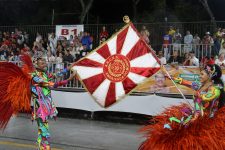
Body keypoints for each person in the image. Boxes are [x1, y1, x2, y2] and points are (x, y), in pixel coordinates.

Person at [139, 64, 225, 150]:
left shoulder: (215, 89)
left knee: (182, 129)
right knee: (172, 122)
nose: (199, 75)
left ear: (210, 76)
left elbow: (209, 96)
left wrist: (200, 95)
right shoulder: (200, 85)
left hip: (205, 120)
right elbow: (184, 82)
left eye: (202, 74)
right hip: (196, 115)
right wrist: (170, 77)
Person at [0, 55, 76, 150]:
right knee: (44, 130)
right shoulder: (34, 77)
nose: (45, 63)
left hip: (46, 106)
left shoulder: (43, 74)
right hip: (40, 108)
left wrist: (67, 69)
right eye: (42, 62)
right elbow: (51, 84)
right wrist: (68, 80)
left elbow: (56, 75)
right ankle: (44, 148)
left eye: (45, 61)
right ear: (36, 64)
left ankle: (42, 147)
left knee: (43, 130)